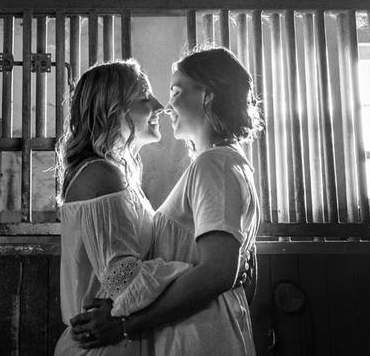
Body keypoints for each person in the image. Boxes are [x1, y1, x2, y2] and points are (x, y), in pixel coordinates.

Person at [71, 47, 262, 355]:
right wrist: (227, 272)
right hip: (199, 330)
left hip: (197, 336)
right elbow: (241, 274)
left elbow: (218, 272)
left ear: (207, 96)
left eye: (175, 91)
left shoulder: (215, 165)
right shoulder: (227, 164)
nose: (166, 105)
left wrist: (125, 325)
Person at [55, 60, 193, 356]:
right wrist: (198, 271)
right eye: (145, 96)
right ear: (113, 109)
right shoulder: (101, 175)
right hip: (101, 346)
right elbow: (124, 278)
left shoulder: (112, 173)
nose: (158, 106)